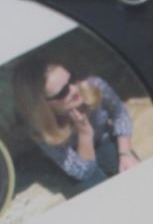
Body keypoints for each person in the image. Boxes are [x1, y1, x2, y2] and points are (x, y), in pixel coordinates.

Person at [12, 57, 138, 187]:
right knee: (90, 183)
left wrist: (125, 153)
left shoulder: (92, 86)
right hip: (77, 156)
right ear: (43, 106)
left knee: (129, 171)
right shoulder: (43, 129)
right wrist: (85, 134)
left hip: (103, 140)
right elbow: (82, 171)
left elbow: (119, 113)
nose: (73, 90)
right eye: (62, 92)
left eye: (71, 79)